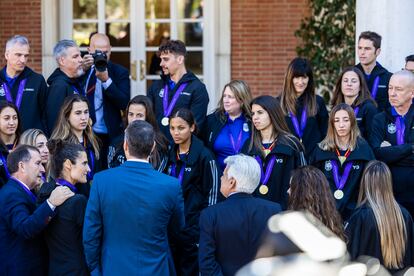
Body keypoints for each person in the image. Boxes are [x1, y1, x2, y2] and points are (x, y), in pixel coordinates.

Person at [83, 120, 185, 275]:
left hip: (113, 269)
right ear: (153, 147)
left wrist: (95, 270)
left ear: (125, 146)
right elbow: (177, 230)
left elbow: (91, 233)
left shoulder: (102, 181)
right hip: (156, 269)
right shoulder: (171, 185)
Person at [199, 154, 282, 276]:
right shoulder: (274, 210)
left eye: (223, 175)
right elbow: (279, 256)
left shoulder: (210, 214)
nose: (221, 178)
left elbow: (206, 262)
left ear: (232, 182)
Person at [0, 145, 74, 275]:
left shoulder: (21, 190)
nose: (42, 169)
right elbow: (25, 227)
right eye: (38, 163)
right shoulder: (11, 194)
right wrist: (51, 202)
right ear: (22, 166)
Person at [166, 108, 219, 276]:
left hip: (193, 228)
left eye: (181, 128)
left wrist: (202, 227)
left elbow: (213, 194)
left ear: (192, 128)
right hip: (170, 226)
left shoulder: (205, 156)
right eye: (172, 128)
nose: (176, 132)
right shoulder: (168, 153)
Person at [345, 160, 414, 273]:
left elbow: (349, 259)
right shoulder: (405, 216)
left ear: (365, 182)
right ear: (388, 182)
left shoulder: (360, 217)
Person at [310, 103, 375, 220]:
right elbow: (312, 183)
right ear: (331, 124)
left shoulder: (364, 149)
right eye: (336, 120)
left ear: (352, 123)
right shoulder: (320, 150)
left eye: (346, 120)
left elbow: (371, 184)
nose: (341, 125)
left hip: (355, 213)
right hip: (326, 212)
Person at [241, 96, 305, 209]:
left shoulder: (291, 144)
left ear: (272, 113)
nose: (255, 118)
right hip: (254, 212)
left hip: (284, 211)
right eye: (253, 114)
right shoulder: (248, 145)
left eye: (260, 113)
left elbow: (304, 179)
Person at [37, 140, 90, 276]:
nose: (88, 169)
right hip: (76, 270)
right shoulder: (77, 201)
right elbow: (90, 240)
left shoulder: (44, 193)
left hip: (54, 270)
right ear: (68, 164)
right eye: (84, 163)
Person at [82, 33, 130, 169]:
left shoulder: (120, 72)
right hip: (88, 132)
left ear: (111, 50)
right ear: (89, 50)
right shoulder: (83, 71)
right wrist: (80, 70)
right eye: (98, 52)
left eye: (106, 52)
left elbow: (124, 103)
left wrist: (106, 81)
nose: (103, 55)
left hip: (111, 133)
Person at [369, 70, 414, 216]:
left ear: (412, 93)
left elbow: (386, 154)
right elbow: (378, 154)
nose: (392, 93)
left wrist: (392, 150)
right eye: (390, 88)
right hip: (388, 192)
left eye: (398, 89)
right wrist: (410, 147)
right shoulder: (379, 119)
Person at [147, 40, 209, 141]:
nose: (161, 64)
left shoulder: (198, 88)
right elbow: (148, 118)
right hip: (156, 148)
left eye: (166, 59)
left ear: (180, 59)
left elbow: (196, 127)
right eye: (161, 59)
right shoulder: (156, 86)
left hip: (181, 151)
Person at [280, 57, 329, 157]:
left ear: (309, 79)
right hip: (288, 159)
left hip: (314, 160)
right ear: (290, 78)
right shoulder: (279, 103)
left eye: (304, 77)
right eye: (297, 77)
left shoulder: (318, 102)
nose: (301, 82)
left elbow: (326, 133)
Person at [51, 94, 100, 188]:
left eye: (86, 112)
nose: (83, 117)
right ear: (67, 116)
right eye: (78, 113)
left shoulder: (93, 140)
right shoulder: (60, 144)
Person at [108, 95, 169, 171]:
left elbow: (157, 176)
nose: (134, 119)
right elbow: (111, 171)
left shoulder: (160, 144)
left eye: (139, 115)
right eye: (131, 114)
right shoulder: (116, 143)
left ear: (148, 117)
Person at [0, 35, 47, 132]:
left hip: (30, 142)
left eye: (26, 56)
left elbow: (46, 115)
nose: (23, 60)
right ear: (7, 55)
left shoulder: (37, 80)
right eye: (18, 55)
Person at [203, 80, 252, 172]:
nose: (226, 100)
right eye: (224, 96)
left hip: (246, 177)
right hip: (219, 177)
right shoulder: (212, 120)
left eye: (230, 97)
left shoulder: (252, 122)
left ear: (242, 100)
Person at [288, 166, 345, 240]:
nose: (288, 191)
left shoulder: (294, 225)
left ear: (302, 192)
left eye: (292, 187)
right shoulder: (332, 224)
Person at [46, 39, 84, 133]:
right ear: (62, 61)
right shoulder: (59, 86)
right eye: (75, 56)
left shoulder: (74, 81)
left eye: (80, 55)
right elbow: (54, 123)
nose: (81, 60)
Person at [331, 67, 378, 139]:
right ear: (340, 85)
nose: (349, 84)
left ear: (360, 86)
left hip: (362, 149)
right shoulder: (336, 107)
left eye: (354, 81)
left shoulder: (369, 108)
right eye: (345, 81)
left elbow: (373, 139)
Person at [355, 31, 392, 112]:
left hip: (379, 123)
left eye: (367, 49)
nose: (362, 52)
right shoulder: (350, 75)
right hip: (355, 122)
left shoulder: (388, 77)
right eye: (360, 48)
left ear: (378, 51)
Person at [0, 101, 21, 188]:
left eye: (15, 118)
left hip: (26, 197)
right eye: (6, 118)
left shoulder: (25, 144)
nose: (12, 122)